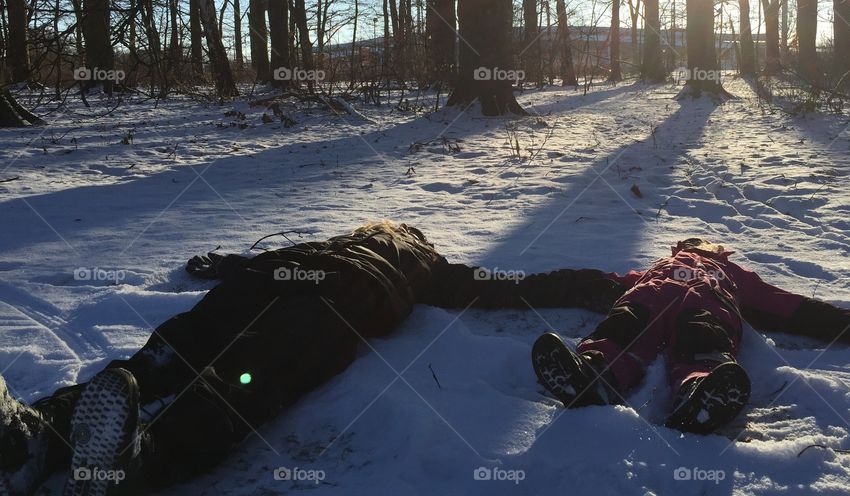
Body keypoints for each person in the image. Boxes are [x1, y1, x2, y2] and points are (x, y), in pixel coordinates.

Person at [0, 222, 623, 496]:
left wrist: (589, 281)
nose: (398, 231)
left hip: (338, 300)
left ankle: (147, 458)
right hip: (284, 277)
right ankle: (39, 434)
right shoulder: (354, 244)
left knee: (253, 369)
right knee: (177, 343)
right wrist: (224, 265)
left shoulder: (430, 267)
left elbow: (501, 285)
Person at [531, 237, 850, 434]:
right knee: (627, 319)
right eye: (692, 245)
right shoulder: (653, 271)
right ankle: (594, 373)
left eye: (704, 246)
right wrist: (497, 286)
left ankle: (700, 391)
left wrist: (847, 323)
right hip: (649, 296)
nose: (698, 250)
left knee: (702, 332)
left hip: (705, 301)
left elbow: (782, 304)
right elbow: (591, 283)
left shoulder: (734, 275)